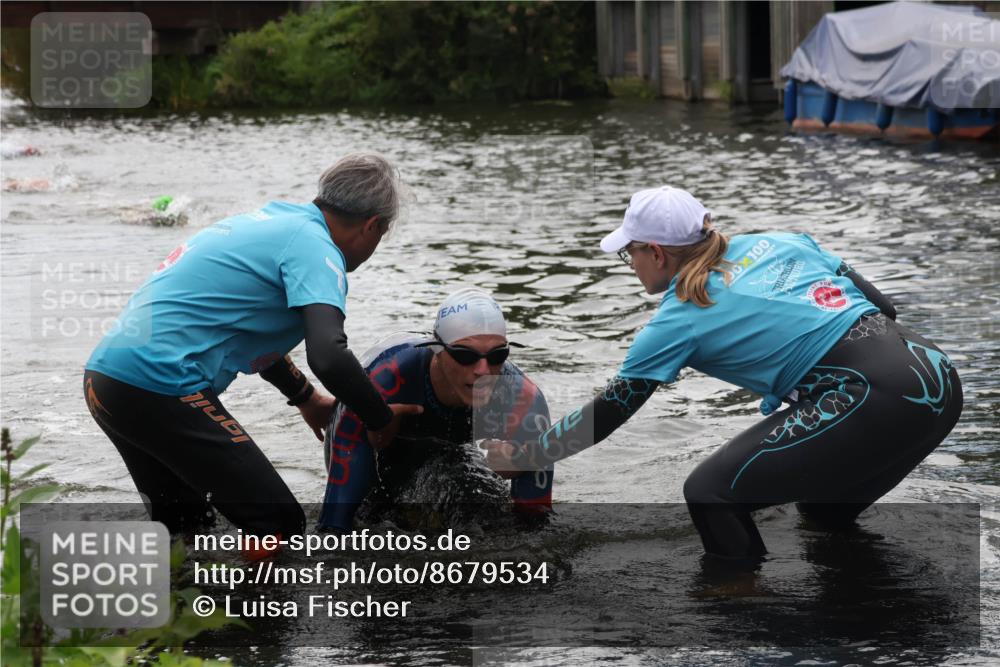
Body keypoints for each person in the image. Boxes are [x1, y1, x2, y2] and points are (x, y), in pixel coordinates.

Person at [483, 186, 962, 563]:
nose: (630, 265)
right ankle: (868, 608)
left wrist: (525, 457)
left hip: (873, 399)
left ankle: (738, 611)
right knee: (821, 515)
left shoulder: (679, 317)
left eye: (629, 254)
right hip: (938, 379)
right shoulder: (783, 241)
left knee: (709, 495)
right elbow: (884, 307)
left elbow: (609, 411)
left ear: (657, 252)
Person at [84, 153, 422, 542]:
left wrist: (306, 398)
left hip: (107, 381)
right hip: (161, 383)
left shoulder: (275, 221)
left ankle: (189, 601)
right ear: (372, 226)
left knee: (187, 533)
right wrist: (380, 419)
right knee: (278, 525)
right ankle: (260, 603)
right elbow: (329, 356)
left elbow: (247, 328)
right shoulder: (318, 248)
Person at [319, 288, 553, 532]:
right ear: (437, 351)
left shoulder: (524, 400)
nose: (483, 370)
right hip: (378, 450)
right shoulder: (384, 379)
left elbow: (537, 523)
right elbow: (333, 526)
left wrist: (521, 463)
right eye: (465, 355)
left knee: (498, 523)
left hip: (453, 462)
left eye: (497, 355)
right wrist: (376, 422)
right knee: (361, 525)